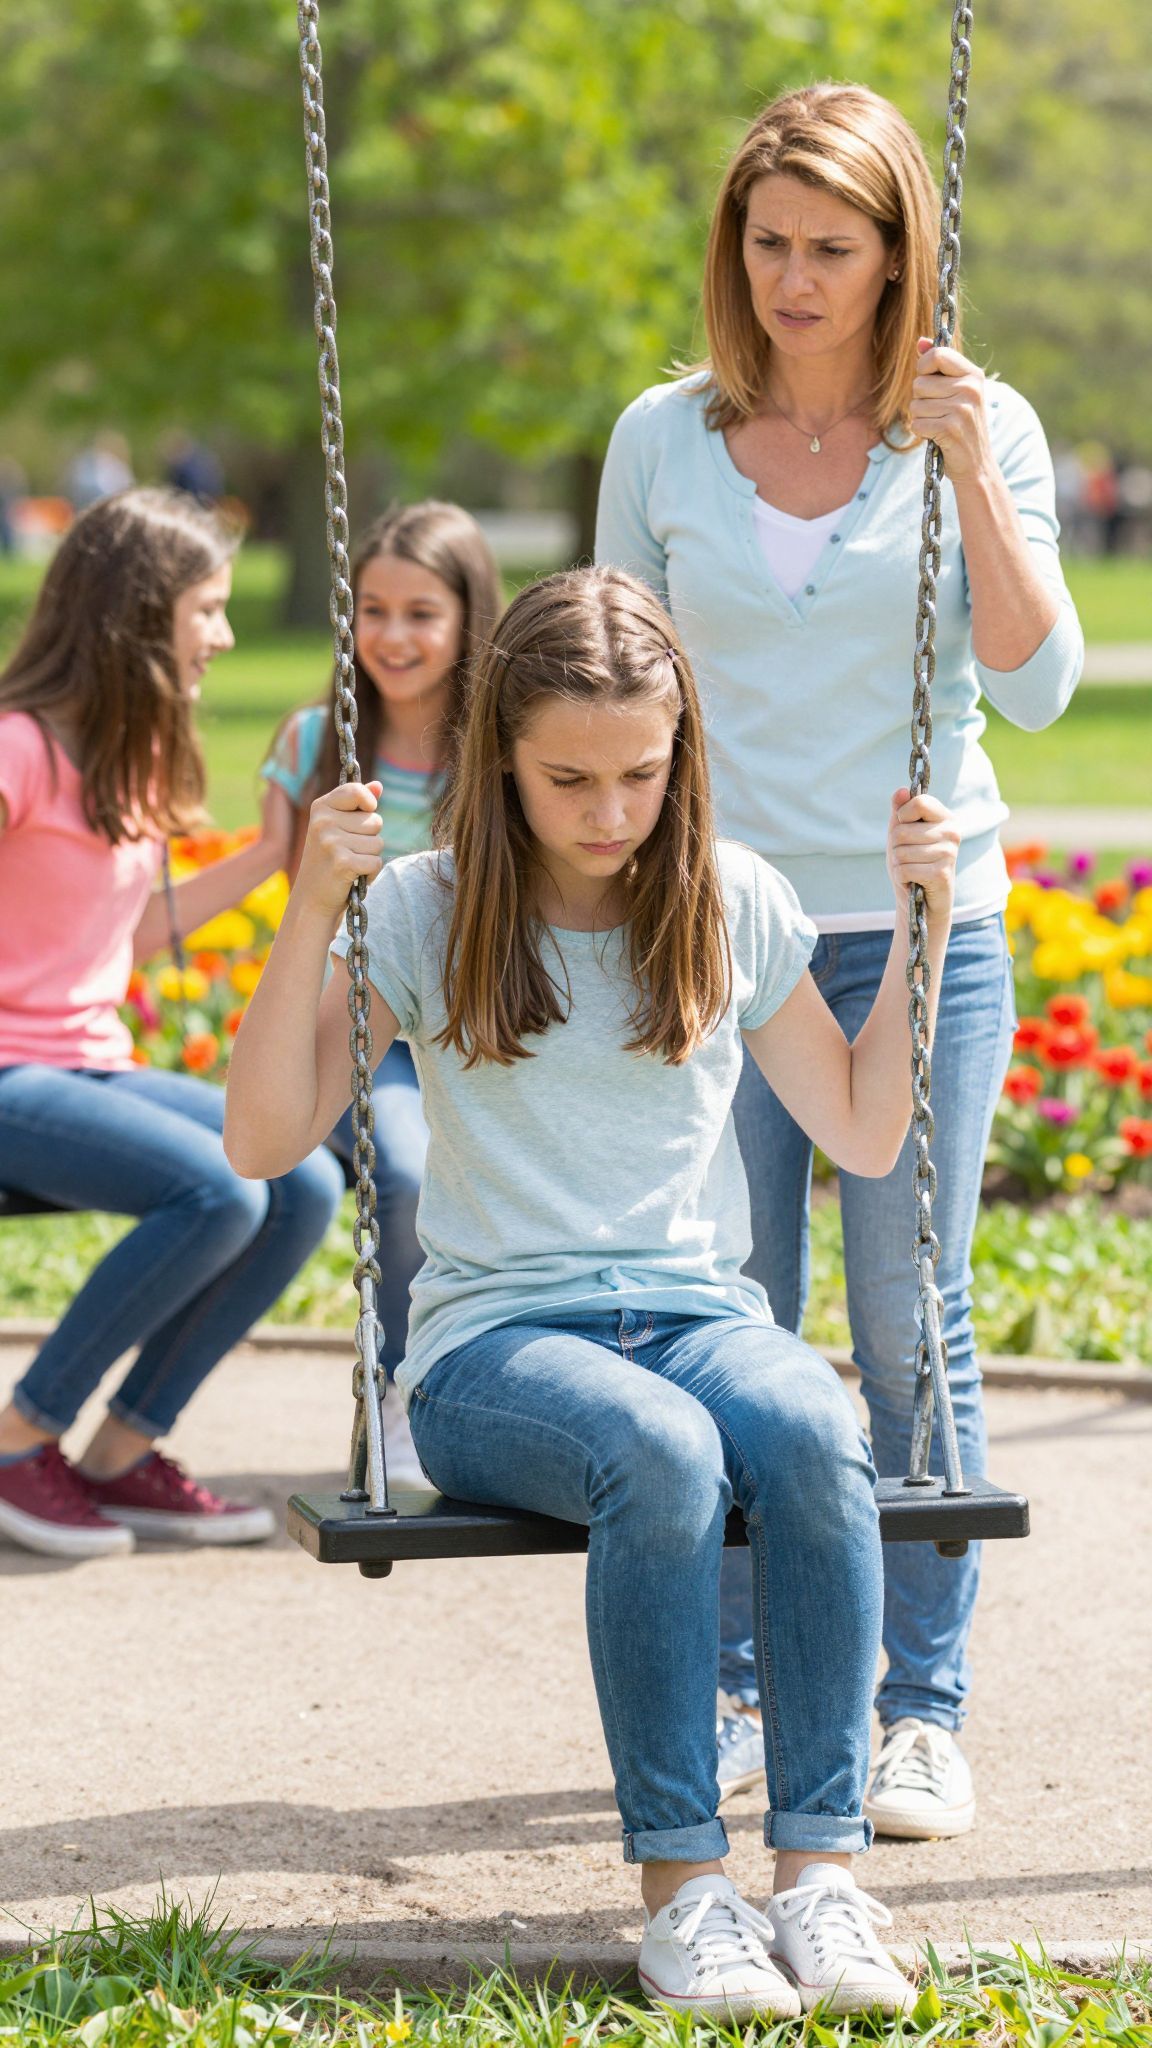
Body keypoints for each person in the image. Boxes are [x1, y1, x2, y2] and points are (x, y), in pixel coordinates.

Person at [225, 565, 959, 2018]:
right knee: (661, 1452)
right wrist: (314, 904)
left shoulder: (726, 900)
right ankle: (685, 1895)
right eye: (569, 778)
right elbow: (261, 1137)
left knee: (815, 1429)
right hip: (499, 1350)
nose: (610, 811)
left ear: (681, 755)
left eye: (640, 774)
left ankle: (818, 1877)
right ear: (503, 752)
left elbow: (868, 1132)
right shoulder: (430, 912)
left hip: (697, 1319)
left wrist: (920, 926)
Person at [595, 82, 1084, 1837]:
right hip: (716, 932)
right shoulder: (662, 436)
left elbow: (1033, 683)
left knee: (906, 1324)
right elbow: (606, 682)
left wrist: (962, 464)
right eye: (768, 243)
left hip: (918, 932)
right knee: (727, 1310)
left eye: (833, 249)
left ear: (899, 260)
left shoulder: (976, 425)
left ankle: (917, 1706)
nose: (793, 278)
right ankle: (736, 1688)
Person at [0, 489, 345, 1560]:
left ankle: (119, 1448)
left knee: (301, 1178)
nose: (226, 636)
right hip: (10, 1072)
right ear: (140, 614)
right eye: (210, 608)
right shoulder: (17, 749)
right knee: (214, 1186)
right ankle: (19, 1439)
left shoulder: (125, 756)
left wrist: (270, 859)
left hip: (82, 1064)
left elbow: (121, 937)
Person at [259, 502, 501, 1475]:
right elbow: (297, 916)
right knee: (403, 1169)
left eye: (421, 613)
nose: (392, 636)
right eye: (373, 610)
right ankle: (401, 1392)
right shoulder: (318, 741)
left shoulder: (498, 747)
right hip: (360, 1032)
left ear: (467, 618)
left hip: (473, 1025)